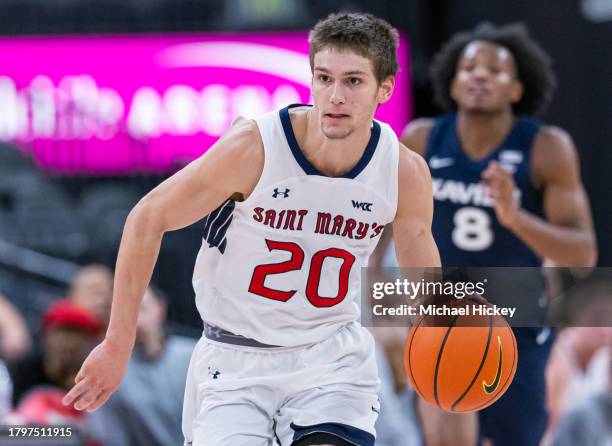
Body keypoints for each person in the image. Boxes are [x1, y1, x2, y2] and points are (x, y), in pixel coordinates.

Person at [63, 12, 442, 446]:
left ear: (386, 87)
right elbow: (147, 218)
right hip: (235, 360)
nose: (334, 96)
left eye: (353, 81)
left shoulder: (403, 171)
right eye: (324, 78)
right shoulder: (255, 147)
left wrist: (444, 333)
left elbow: (420, 265)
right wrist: (117, 345)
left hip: (330, 361)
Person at [399, 22, 597, 446]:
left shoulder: (546, 147)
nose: (480, 76)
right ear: (452, 84)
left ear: (516, 88)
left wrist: (515, 217)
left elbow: (583, 254)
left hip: (516, 318)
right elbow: (383, 227)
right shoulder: (420, 138)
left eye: (495, 69)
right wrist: (381, 306)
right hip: (441, 312)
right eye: (469, 68)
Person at [87, 287, 196, 446]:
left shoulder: (193, 356)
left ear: (160, 308)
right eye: (126, 314)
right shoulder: (109, 371)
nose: (136, 321)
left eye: (142, 309)